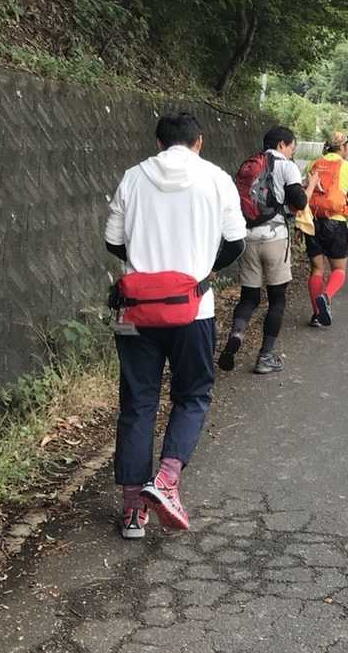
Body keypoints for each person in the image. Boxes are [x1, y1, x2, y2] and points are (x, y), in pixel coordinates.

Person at [105, 111, 246, 539]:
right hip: (194, 311)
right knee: (192, 395)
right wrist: (203, 270)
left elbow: (113, 241)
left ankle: (133, 511)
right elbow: (235, 242)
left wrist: (146, 269)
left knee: (137, 403)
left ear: (159, 142)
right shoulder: (216, 179)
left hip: (137, 312)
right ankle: (166, 480)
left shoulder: (133, 177)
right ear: (198, 141)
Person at [219, 125, 312, 376]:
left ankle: (237, 334)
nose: (292, 152)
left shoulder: (250, 164)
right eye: (292, 147)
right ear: (282, 145)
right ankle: (265, 356)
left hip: (248, 238)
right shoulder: (286, 166)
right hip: (275, 238)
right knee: (277, 299)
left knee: (249, 298)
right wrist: (310, 186)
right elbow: (299, 202)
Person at [303, 130, 348, 327]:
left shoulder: (313, 164)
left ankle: (316, 315)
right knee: (339, 269)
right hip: (335, 223)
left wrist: (299, 225)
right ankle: (326, 297)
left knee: (316, 269)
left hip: (313, 221)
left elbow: (304, 193)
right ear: (343, 147)